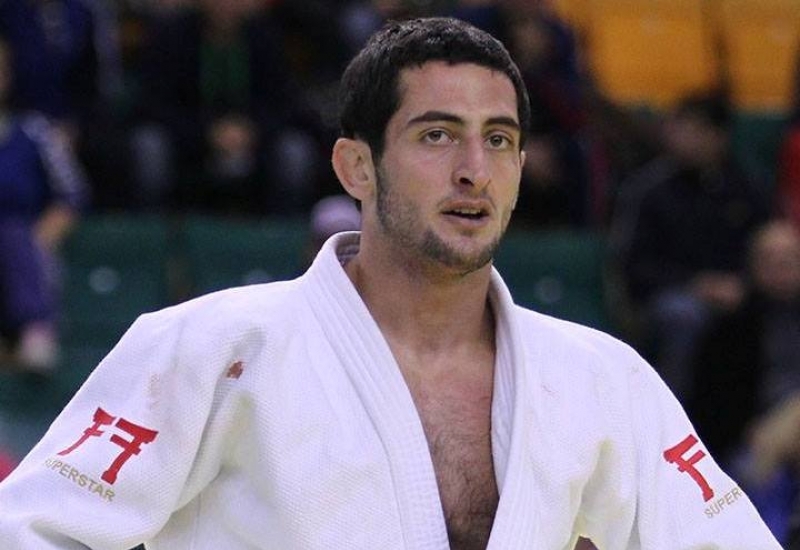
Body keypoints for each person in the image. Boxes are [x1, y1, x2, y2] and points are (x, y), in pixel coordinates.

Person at [0, 17, 781, 548]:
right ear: (356, 167)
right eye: (437, 134)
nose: (474, 170)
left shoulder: (604, 379)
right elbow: (33, 530)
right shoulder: (211, 347)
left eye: (499, 140)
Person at [610, 90, 771, 402]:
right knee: (683, 314)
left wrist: (745, 284)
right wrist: (697, 284)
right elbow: (633, 267)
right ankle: (670, 410)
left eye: (697, 130)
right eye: (680, 128)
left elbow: (765, 247)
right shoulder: (649, 190)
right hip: (668, 295)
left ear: (719, 136)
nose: (684, 139)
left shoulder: (748, 187)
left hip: (740, 291)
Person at [688, 219, 800, 543]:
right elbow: (708, 411)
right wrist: (749, 431)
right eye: (769, 259)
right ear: (752, 266)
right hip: (753, 444)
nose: (779, 267)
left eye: (788, 258)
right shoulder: (727, 331)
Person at [0, 37, 89, 372]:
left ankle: (35, 331)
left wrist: (43, 234)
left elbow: (73, 191)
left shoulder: (34, 131)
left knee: (13, 236)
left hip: (23, 243)